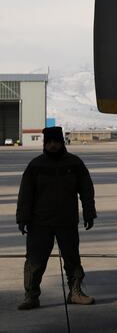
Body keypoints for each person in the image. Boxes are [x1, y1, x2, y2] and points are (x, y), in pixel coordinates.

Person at [15, 126, 96, 310]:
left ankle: (75, 292)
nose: (52, 145)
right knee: (35, 261)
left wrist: (89, 212)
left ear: (61, 142)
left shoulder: (74, 163)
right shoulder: (35, 165)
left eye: (56, 142)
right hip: (39, 223)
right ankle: (31, 296)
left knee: (72, 259)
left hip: (66, 221)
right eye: (49, 142)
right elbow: (25, 195)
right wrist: (22, 218)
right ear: (45, 144)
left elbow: (86, 190)